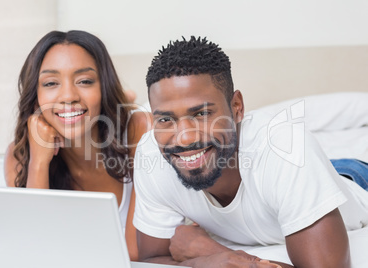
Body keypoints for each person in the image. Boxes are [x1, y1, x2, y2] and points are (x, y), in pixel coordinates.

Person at [132, 36, 368, 267]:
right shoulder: (151, 154)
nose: (184, 138)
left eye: (202, 114)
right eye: (165, 119)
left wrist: (214, 252)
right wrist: (208, 263)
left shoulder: (287, 146)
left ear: (237, 108)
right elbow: (152, 260)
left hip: (356, 178)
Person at [4, 30, 150, 261]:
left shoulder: (139, 130)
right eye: (51, 83)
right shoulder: (19, 155)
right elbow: (34, 250)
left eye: (85, 81)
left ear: (104, 87)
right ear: (35, 97)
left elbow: (134, 252)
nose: (68, 96)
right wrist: (39, 164)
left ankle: (127, 98)